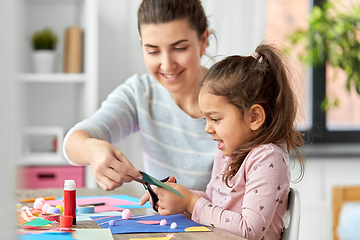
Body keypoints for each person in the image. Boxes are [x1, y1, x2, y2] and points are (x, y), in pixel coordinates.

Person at [146, 44, 306, 239]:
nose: (208, 128)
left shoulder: (268, 158)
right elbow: (213, 203)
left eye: (216, 119)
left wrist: (191, 203)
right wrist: (179, 196)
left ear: (254, 117)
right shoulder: (226, 153)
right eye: (206, 119)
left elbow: (249, 229)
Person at [63, 0, 217, 191]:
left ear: (203, 41)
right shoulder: (141, 92)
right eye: (153, 51)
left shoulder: (235, 98)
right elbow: (72, 142)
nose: (167, 65)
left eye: (179, 49)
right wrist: (92, 150)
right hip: (161, 221)